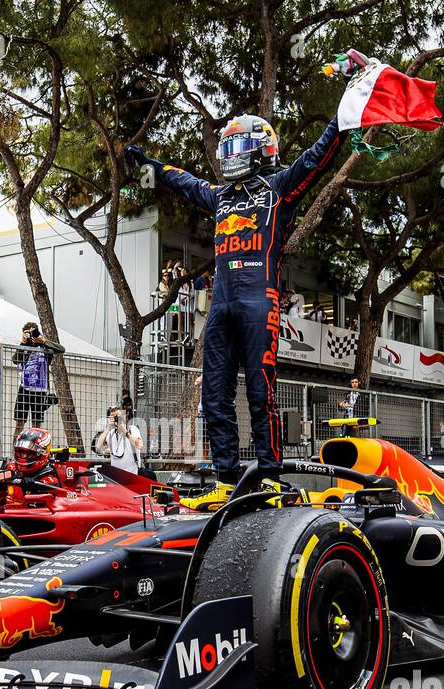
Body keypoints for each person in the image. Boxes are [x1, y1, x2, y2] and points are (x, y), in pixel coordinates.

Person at [125, 109, 344, 508]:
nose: (231, 154)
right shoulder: (221, 195)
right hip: (221, 309)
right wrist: (150, 166)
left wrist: (341, 122)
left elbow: (315, 159)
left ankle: (272, 478)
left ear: (263, 149)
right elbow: (185, 182)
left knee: (262, 394)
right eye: (227, 147)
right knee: (214, 397)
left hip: (261, 305)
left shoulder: (278, 188)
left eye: (240, 146)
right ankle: (226, 479)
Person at [12, 320, 64, 437]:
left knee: (36, 425)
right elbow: (15, 360)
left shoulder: (44, 348)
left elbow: (61, 349)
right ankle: (15, 452)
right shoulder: (24, 346)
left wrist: (43, 341)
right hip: (24, 389)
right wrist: (23, 342)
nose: (31, 336)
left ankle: (34, 450)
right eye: (28, 333)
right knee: (19, 423)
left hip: (40, 390)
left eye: (33, 332)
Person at [96, 403, 144, 474]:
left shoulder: (132, 429)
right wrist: (107, 428)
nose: (117, 419)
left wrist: (125, 431)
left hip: (132, 475)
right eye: (115, 417)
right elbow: (98, 447)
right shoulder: (111, 433)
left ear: (124, 416)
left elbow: (140, 445)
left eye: (119, 416)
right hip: (116, 477)